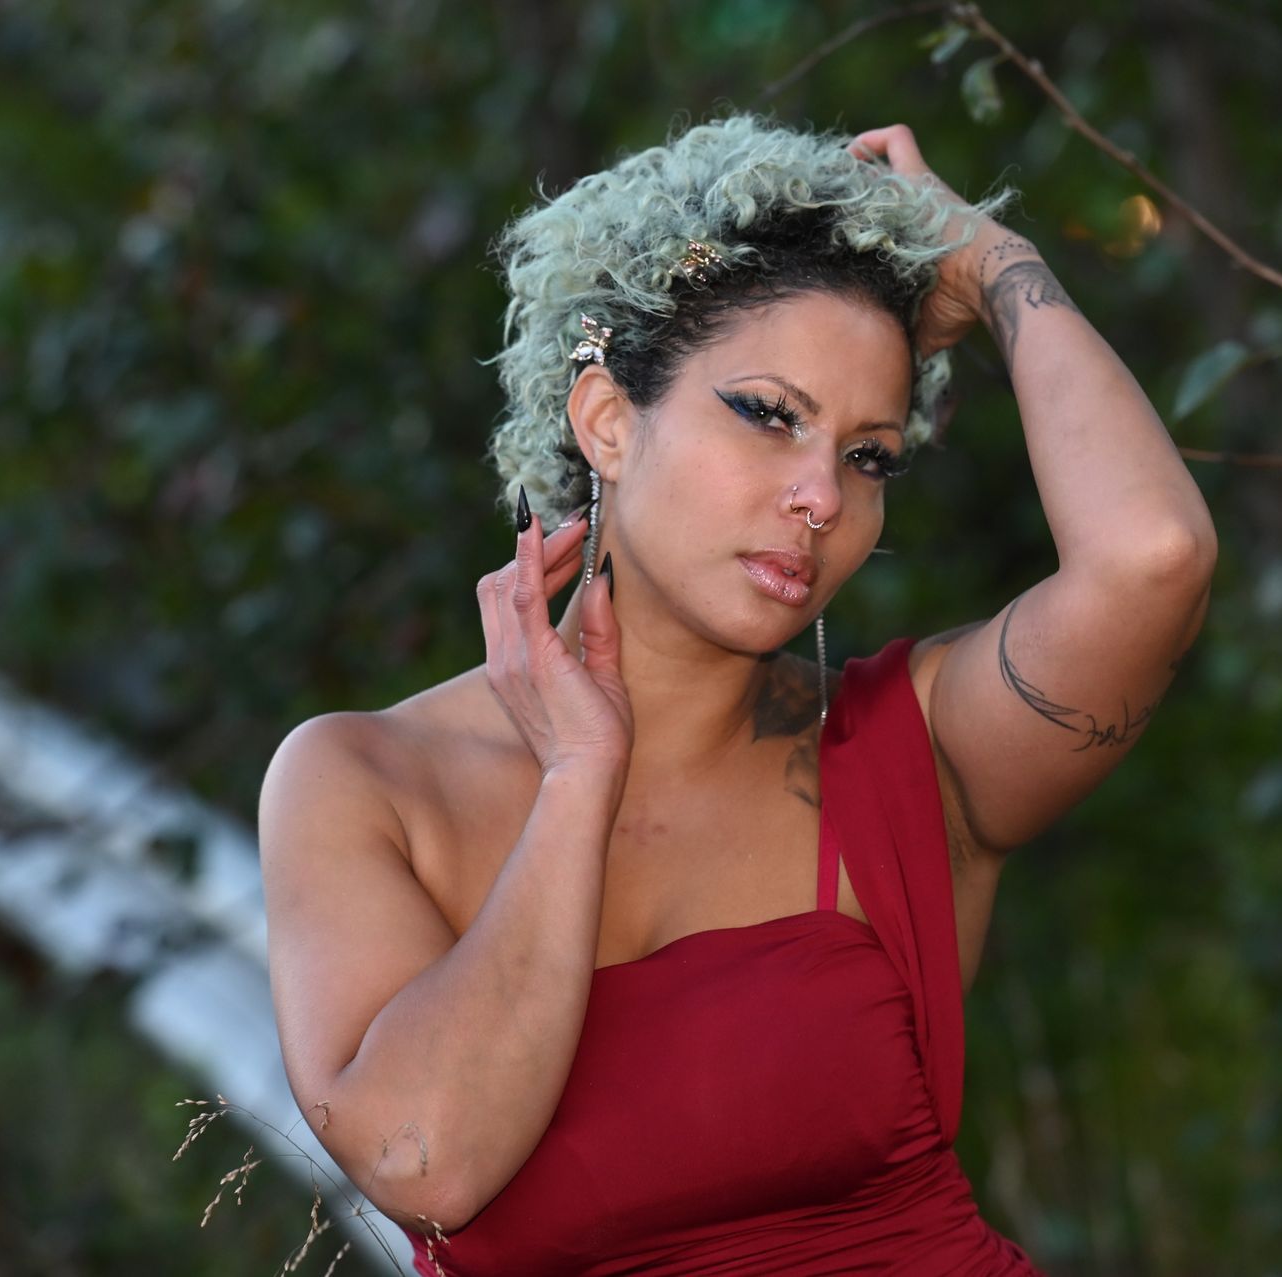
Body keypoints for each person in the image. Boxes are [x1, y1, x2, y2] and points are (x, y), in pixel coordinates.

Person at [258, 113, 1216, 1275]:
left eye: (870, 457)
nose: (821, 495)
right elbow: (429, 1160)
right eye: (769, 415)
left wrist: (994, 261)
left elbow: (1152, 554)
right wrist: (578, 777)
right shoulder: (363, 781)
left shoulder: (914, 752)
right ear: (608, 420)